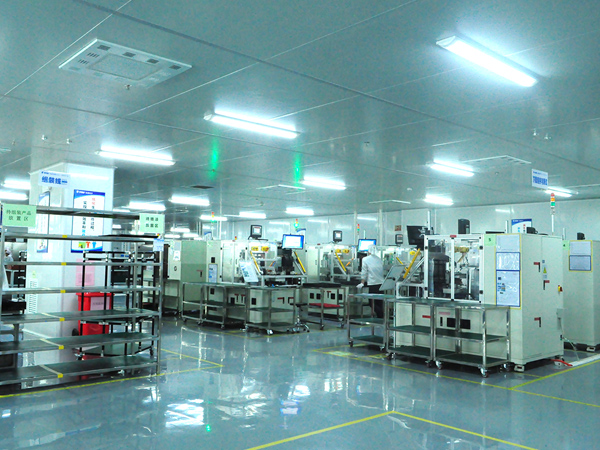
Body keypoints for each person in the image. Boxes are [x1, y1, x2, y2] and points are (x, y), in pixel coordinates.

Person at [357, 244, 384, 318]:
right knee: (379, 303)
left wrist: (362, 282)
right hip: (381, 284)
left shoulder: (365, 259)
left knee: (371, 303)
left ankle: (381, 316)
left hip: (373, 284)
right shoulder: (379, 259)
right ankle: (381, 318)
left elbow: (364, 272)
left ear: (368, 251)